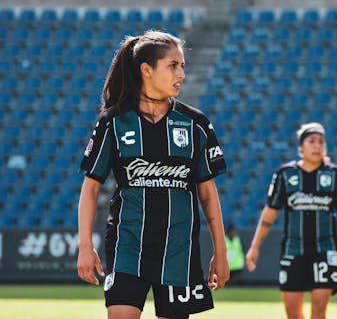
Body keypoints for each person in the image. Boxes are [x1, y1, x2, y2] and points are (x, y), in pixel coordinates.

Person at [77, 30, 229, 319]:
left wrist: (221, 252)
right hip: (127, 244)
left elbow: (208, 194)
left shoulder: (196, 124)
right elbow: (91, 187)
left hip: (179, 251)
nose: (181, 74)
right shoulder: (113, 122)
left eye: (183, 66)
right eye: (173, 65)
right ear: (146, 70)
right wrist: (85, 246)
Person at [245, 122, 337, 319]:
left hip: (325, 249)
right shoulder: (285, 175)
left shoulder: (335, 175)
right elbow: (270, 212)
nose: (317, 146)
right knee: (293, 313)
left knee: (319, 310)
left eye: (321, 142)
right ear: (300, 147)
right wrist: (255, 246)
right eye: (311, 141)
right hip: (293, 249)